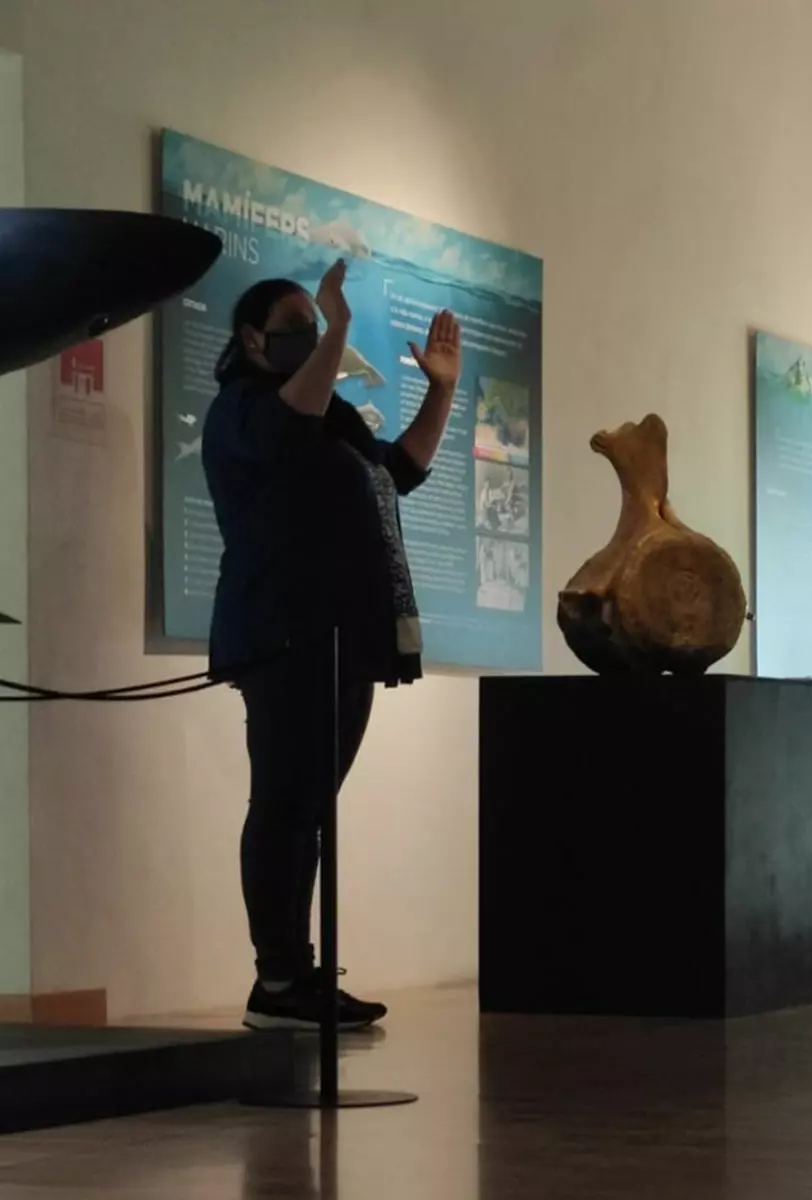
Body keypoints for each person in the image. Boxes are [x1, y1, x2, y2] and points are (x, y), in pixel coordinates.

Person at [204, 260, 461, 1031]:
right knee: (284, 806)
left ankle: (298, 975)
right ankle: (278, 980)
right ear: (252, 339)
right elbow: (288, 427)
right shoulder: (244, 409)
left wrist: (441, 390)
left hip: (344, 641)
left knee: (308, 808)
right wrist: (341, 328)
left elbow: (397, 473)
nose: (311, 339)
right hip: (283, 637)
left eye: (314, 329)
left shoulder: (330, 416)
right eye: (297, 329)